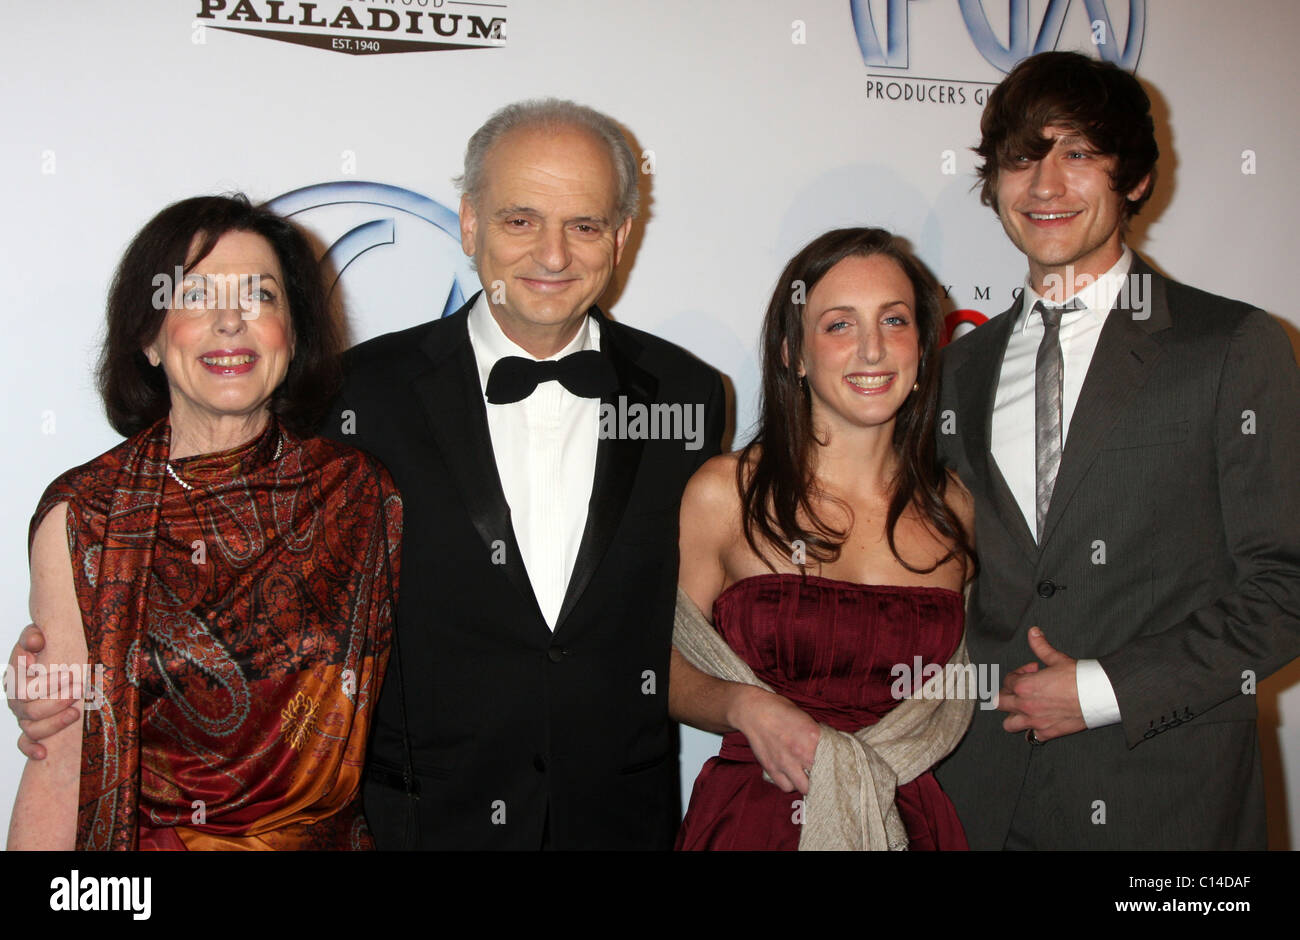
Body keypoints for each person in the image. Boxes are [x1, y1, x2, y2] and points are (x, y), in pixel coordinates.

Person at [313, 100, 725, 848]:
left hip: (620, 825)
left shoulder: (687, 394)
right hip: (421, 824)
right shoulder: (357, 395)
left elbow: (722, 603)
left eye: (585, 225)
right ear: (470, 224)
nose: (554, 256)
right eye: (521, 220)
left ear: (622, 237)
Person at [934, 50, 1300, 849]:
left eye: (1080, 154)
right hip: (974, 796)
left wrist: (1102, 690)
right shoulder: (956, 369)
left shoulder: (1231, 345)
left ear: (1133, 179)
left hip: (1163, 800)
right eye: (1022, 157)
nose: (1046, 186)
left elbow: (1287, 585)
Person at [7, 195, 401, 850]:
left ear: (295, 332)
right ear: (148, 337)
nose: (230, 323)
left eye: (260, 297)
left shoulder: (362, 496)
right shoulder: (85, 516)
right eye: (194, 297)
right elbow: (60, 762)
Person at [669, 228, 976, 850]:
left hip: (908, 824)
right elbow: (656, 667)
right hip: (753, 824)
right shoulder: (722, 493)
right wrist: (743, 707)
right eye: (839, 325)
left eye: (894, 321)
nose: (872, 349)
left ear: (922, 345)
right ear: (794, 353)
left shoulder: (954, 510)